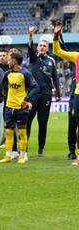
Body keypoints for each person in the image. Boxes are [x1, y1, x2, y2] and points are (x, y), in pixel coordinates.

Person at [0, 52, 38, 164]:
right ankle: (8, 156)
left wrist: (27, 100)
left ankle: (22, 155)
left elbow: (35, 87)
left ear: (14, 61)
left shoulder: (25, 73)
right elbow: (1, 85)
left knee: (22, 132)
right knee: (9, 132)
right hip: (9, 107)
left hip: (20, 108)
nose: (8, 61)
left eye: (9, 59)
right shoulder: (7, 73)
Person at [26, 26, 61, 157]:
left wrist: (58, 91)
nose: (41, 47)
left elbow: (55, 78)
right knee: (28, 121)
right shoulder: (33, 58)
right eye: (40, 45)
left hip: (46, 95)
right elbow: (29, 48)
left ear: (47, 48)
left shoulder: (51, 60)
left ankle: (41, 148)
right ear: (37, 47)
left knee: (43, 123)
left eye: (44, 46)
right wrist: (30, 36)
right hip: (33, 95)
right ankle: (24, 146)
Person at [52, 21, 79, 165]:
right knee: (74, 125)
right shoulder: (76, 57)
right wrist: (56, 36)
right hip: (76, 95)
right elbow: (60, 51)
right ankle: (74, 153)